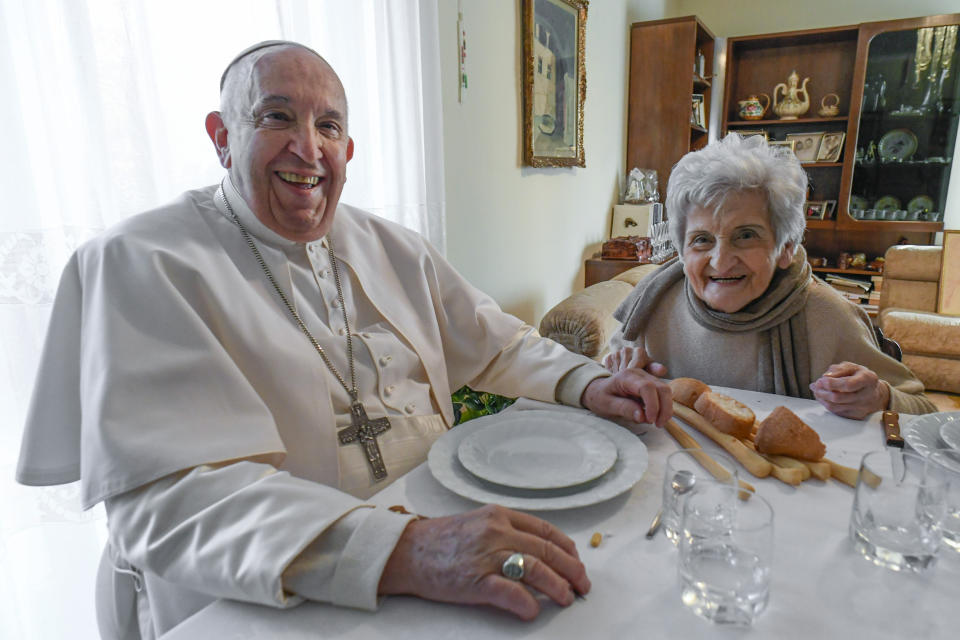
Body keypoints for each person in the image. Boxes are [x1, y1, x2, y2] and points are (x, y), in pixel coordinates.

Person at [15, 41, 670, 639]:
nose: (308, 148)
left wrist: (588, 381)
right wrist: (404, 550)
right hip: (267, 594)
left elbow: (494, 338)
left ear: (348, 150)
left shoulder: (393, 246)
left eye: (328, 126)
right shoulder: (140, 262)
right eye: (277, 118)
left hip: (440, 536)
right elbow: (169, 500)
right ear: (221, 137)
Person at [604, 133, 936, 419]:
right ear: (681, 249)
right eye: (701, 240)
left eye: (746, 235)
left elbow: (922, 409)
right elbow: (604, 377)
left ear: (786, 247)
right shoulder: (655, 302)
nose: (721, 261)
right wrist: (618, 372)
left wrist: (879, 397)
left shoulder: (827, 316)